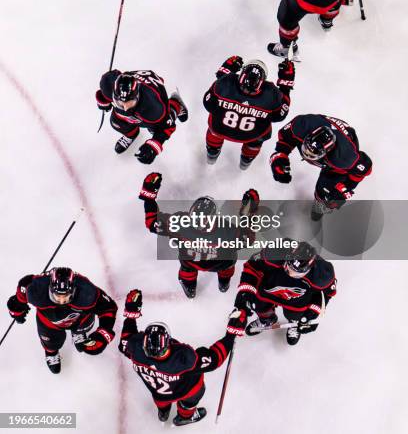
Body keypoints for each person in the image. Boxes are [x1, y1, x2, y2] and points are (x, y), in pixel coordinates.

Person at [118, 289, 247, 425]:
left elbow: (125, 341)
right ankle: (185, 417)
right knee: (190, 401)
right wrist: (230, 336)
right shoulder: (183, 360)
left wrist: (131, 315)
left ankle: (163, 413)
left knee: (161, 400)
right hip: (188, 390)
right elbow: (214, 359)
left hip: (159, 393)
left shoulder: (134, 350)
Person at [139, 172, 260, 297]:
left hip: (191, 263)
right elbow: (247, 239)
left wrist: (149, 196)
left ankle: (190, 289)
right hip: (222, 264)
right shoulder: (226, 229)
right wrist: (250, 213)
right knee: (227, 266)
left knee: (187, 270)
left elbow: (152, 222)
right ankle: (224, 284)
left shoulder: (180, 224)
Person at [7, 267, 117, 373]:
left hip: (80, 319)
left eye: (65, 297)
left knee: (84, 324)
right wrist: (17, 307)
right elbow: (23, 287)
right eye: (57, 297)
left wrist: (103, 334)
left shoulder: (86, 291)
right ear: (49, 289)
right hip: (49, 323)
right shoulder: (36, 289)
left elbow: (109, 308)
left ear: (74, 290)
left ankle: (78, 332)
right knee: (50, 342)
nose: (61, 301)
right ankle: (51, 352)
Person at [270, 114, 372, 220]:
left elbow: (366, 167)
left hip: (344, 147)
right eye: (306, 148)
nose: (306, 154)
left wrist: (345, 188)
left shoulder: (344, 158)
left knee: (325, 192)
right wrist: (280, 156)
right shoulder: (302, 125)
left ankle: (320, 207)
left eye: (312, 154)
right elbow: (286, 138)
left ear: (327, 152)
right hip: (323, 128)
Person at [234, 241, 336, 345]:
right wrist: (245, 292)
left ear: (309, 268)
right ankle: (267, 320)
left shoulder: (321, 274)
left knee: (295, 316)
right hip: (269, 289)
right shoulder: (276, 251)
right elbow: (252, 266)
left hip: (297, 300)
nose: (290, 273)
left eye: (296, 273)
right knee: (260, 306)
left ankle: (294, 323)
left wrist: (313, 312)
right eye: (288, 267)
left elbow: (327, 294)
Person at [203, 55, 294, 169]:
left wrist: (224, 71)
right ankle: (246, 162)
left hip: (219, 129)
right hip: (251, 136)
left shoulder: (226, 82)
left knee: (215, 121)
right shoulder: (271, 94)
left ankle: (212, 153)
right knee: (262, 132)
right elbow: (280, 116)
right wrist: (286, 85)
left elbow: (208, 103)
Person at [96, 69, 188, 161]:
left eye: (129, 102)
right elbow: (111, 78)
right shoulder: (107, 84)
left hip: (153, 92)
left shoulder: (154, 108)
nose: (125, 108)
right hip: (139, 83)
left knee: (156, 127)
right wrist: (104, 100)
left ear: (137, 97)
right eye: (120, 102)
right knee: (116, 121)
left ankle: (176, 103)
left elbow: (168, 126)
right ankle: (131, 134)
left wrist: (154, 145)